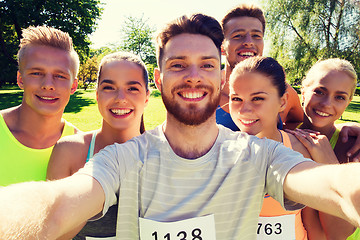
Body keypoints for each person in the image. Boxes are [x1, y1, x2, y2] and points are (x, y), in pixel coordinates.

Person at [2, 14, 360, 240]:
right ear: (158, 78)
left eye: (206, 64)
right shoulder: (124, 159)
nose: (192, 77)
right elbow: (53, 208)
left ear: (222, 78)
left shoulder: (259, 154)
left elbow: (332, 186)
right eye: (178, 65)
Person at [228, 56, 340, 240]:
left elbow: (312, 223)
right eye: (236, 98)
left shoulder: (302, 151)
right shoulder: (220, 151)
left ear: (282, 102)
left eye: (257, 98)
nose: (244, 110)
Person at [47, 52, 150, 239]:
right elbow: (53, 231)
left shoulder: (162, 153)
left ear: (147, 97)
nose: (120, 98)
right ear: (97, 95)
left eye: (132, 88)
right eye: (109, 87)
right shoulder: (69, 150)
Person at [0, 26, 79, 186]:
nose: (48, 85)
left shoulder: (83, 148)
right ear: (20, 79)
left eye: (60, 76)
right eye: (36, 73)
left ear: (73, 86)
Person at [295, 58, 360, 240]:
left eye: (340, 97)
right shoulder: (283, 134)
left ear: (348, 102)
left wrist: (326, 163)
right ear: (303, 91)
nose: (326, 103)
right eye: (319, 91)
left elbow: (339, 234)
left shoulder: (352, 147)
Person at [217, 4, 303, 131]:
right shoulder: (207, 91)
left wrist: (286, 136)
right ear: (222, 47)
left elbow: (299, 121)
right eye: (238, 35)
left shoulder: (282, 91)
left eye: (256, 35)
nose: (249, 41)